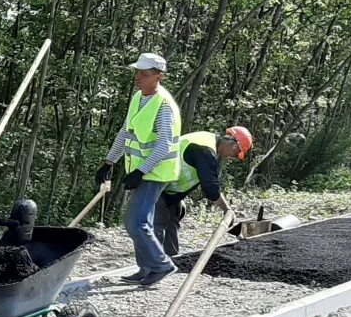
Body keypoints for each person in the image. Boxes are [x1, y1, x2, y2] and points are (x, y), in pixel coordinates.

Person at [95, 52, 183, 286]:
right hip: (142, 170)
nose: (138, 77)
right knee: (143, 221)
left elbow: (164, 144)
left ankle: (161, 265)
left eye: (144, 74)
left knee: (136, 222)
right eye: (137, 72)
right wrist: (109, 161)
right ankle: (146, 268)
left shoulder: (164, 106)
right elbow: (126, 131)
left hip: (156, 171)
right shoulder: (138, 97)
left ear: (158, 76)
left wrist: (140, 171)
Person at [153, 126, 253, 257]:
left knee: (175, 215)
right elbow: (211, 189)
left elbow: (211, 183)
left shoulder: (211, 146)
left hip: (168, 190)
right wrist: (226, 209)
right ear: (233, 145)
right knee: (159, 222)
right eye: (235, 154)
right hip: (155, 183)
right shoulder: (204, 149)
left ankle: (170, 260)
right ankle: (151, 266)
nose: (231, 157)